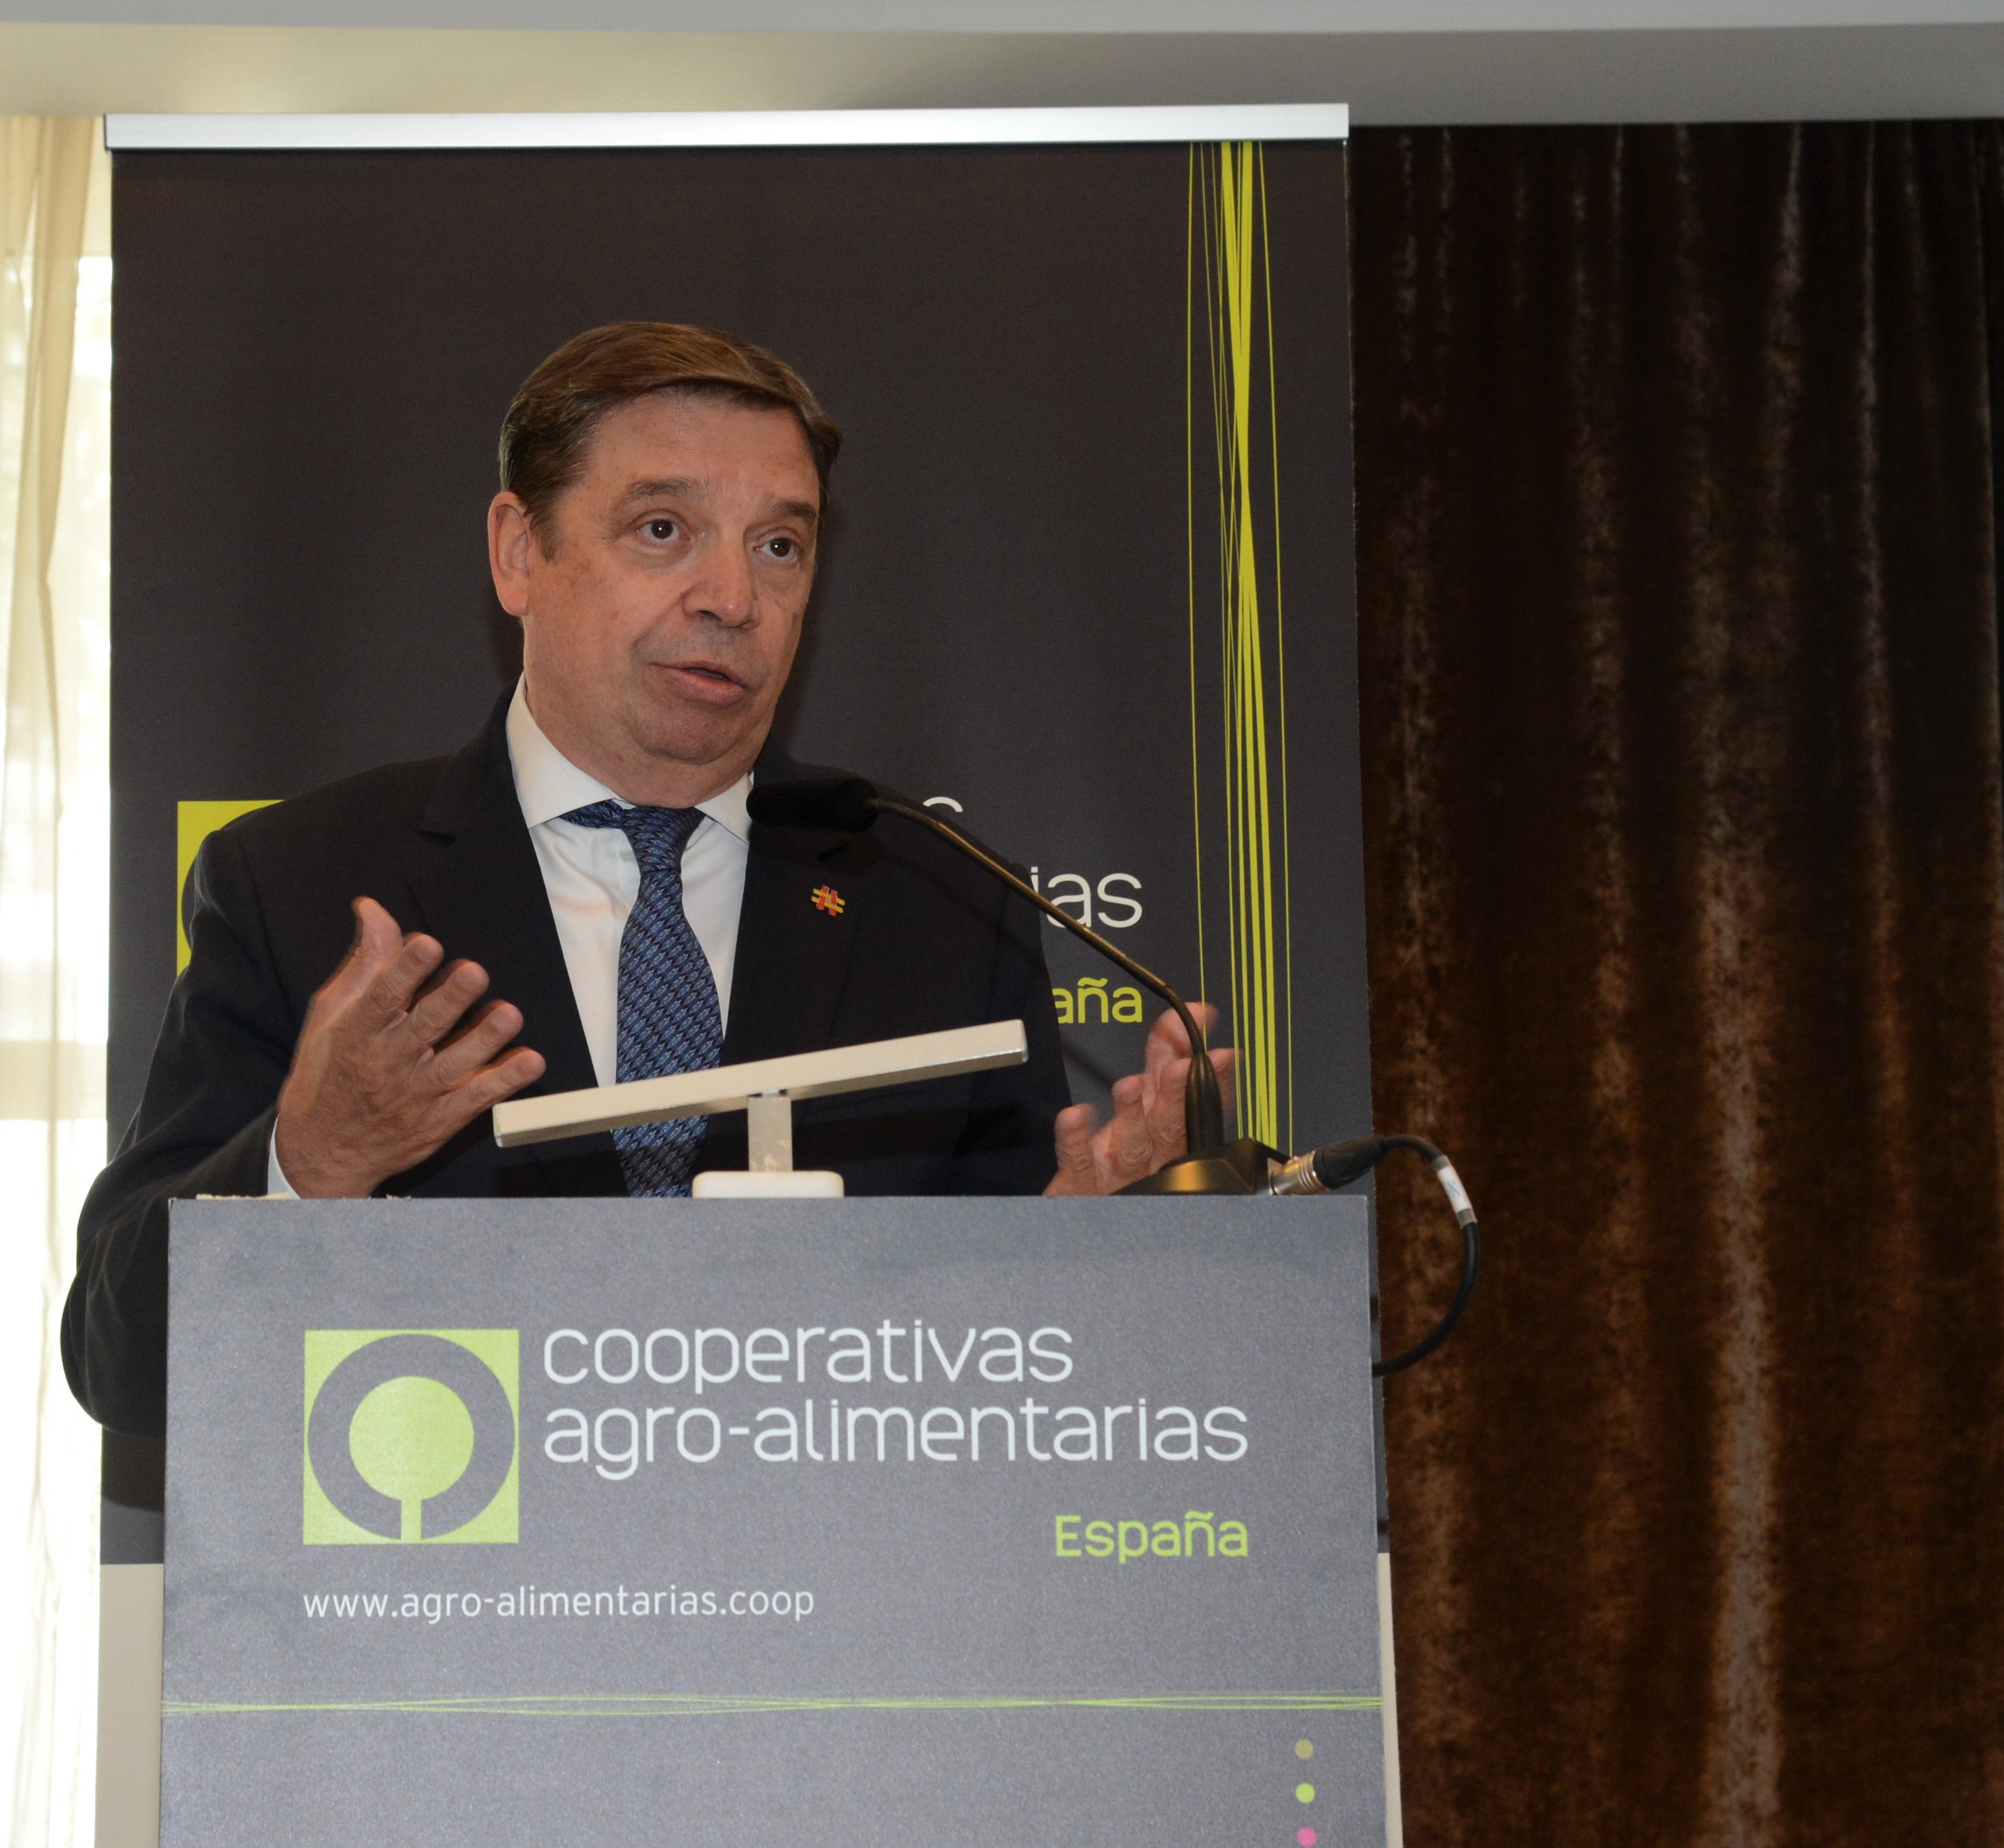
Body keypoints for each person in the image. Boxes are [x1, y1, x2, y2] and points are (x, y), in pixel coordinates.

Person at [62, 322, 1230, 1436]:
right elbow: (123, 1365)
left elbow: (1011, 1388)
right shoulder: (302, 881)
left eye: (780, 545)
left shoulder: (935, 901)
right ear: (520, 553)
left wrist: (1078, 1270)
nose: (734, 598)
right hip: (447, 1561)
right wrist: (309, 1165)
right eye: (664, 529)